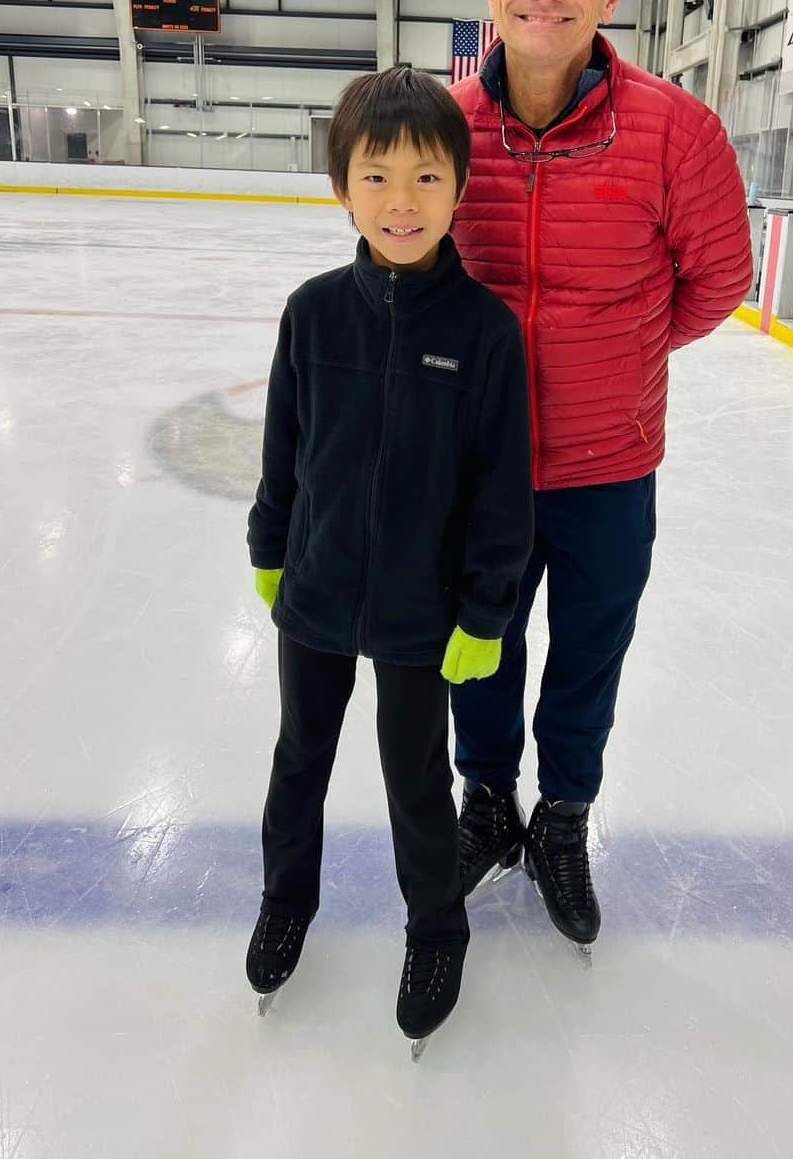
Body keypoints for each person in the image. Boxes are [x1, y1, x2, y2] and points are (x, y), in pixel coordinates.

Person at [448, 0, 753, 957]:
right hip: (471, 471)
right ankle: (486, 804)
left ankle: (563, 816)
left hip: (605, 469)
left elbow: (719, 280)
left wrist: (616, 356)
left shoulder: (678, 134)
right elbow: (399, 269)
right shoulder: (442, 129)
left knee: (587, 657)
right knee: (474, 653)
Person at [244, 66, 533, 1052]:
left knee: (416, 780)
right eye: (375, 177)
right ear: (342, 189)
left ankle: (435, 928)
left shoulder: (486, 335)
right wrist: (270, 549)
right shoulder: (313, 314)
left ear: (459, 188)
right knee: (299, 761)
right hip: (318, 589)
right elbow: (284, 447)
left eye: (424, 178)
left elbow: (503, 490)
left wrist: (488, 611)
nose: (400, 203)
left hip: (423, 607)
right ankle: (287, 897)